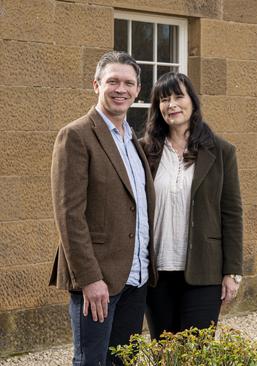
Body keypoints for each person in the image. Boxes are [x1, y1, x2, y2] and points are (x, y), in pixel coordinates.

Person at [49, 51, 157, 366]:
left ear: (138, 90)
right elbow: (69, 215)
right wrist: (89, 279)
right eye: (113, 81)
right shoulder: (76, 135)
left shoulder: (132, 140)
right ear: (97, 85)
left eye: (128, 83)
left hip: (136, 279)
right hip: (98, 282)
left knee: (123, 361)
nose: (120, 89)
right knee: (91, 361)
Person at [141, 72, 243, 339]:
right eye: (164, 99)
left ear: (193, 102)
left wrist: (232, 272)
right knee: (164, 351)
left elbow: (231, 213)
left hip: (204, 271)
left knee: (195, 351)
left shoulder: (221, 151)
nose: (171, 104)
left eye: (178, 96)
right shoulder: (145, 151)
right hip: (156, 272)